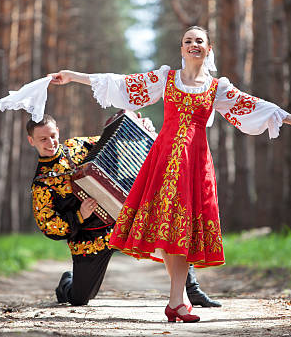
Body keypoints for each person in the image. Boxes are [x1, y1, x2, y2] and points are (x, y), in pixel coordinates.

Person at [48, 26, 291, 322]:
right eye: (187, 41)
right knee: (167, 229)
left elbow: (257, 107)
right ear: (181, 49)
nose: (193, 45)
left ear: (208, 49)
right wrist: (73, 76)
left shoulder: (217, 87)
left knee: (179, 229)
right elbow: (122, 83)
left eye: (199, 41)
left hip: (194, 164)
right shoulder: (166, 78)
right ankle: (177, 301)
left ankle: (176, 300)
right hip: (163, 161)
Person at [27, 113, 220, 307]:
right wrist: (79, 216)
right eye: (43, 139)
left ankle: (191, 289)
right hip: (90, 239)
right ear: (31, 141)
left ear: (58, 131)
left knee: (168, 226)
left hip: (123, 216)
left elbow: (116, 139)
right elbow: (48, 225)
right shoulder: (42, 184)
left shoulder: (77, 145)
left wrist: (141, 127)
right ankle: (67, 284)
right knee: (80, 299)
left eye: (52, 136)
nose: (50, 142)